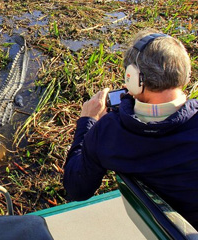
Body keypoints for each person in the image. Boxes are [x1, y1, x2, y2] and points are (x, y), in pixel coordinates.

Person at [63, 29, 198, 229]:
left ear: (132, 78)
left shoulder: (108, 132)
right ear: (185, 73)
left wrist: (87, 121)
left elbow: (76, 188)